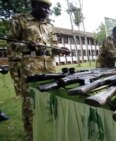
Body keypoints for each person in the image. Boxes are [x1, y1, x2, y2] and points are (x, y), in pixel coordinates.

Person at [7, 0, 70, 140]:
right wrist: (26, 46)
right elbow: (11, 43)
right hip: (30, 67)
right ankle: (31, 135)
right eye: (44, 7)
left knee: (50, 97)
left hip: (50, 66)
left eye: (49, 8)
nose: (47, 11)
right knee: (30, 102)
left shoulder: (49, 26)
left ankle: (49, 129)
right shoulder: (20, 20)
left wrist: (61, 50)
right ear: (33, 5)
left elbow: (54, 45)